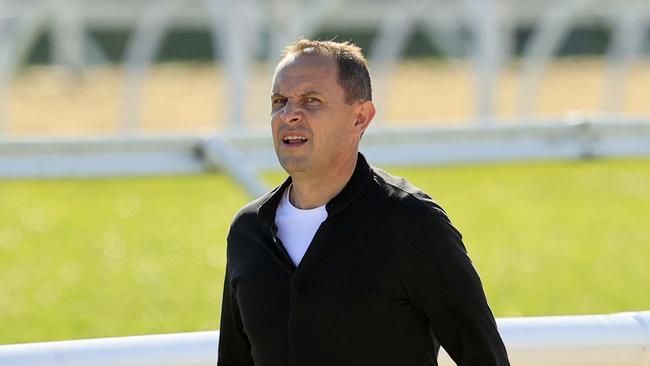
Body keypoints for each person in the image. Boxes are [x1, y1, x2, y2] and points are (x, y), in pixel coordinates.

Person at [218, 39, 510, 366]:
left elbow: (486, 357)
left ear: (360, 117)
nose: (289, 115)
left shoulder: (412, 224)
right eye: (279, 100)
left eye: (310, 100)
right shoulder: (248, 233)